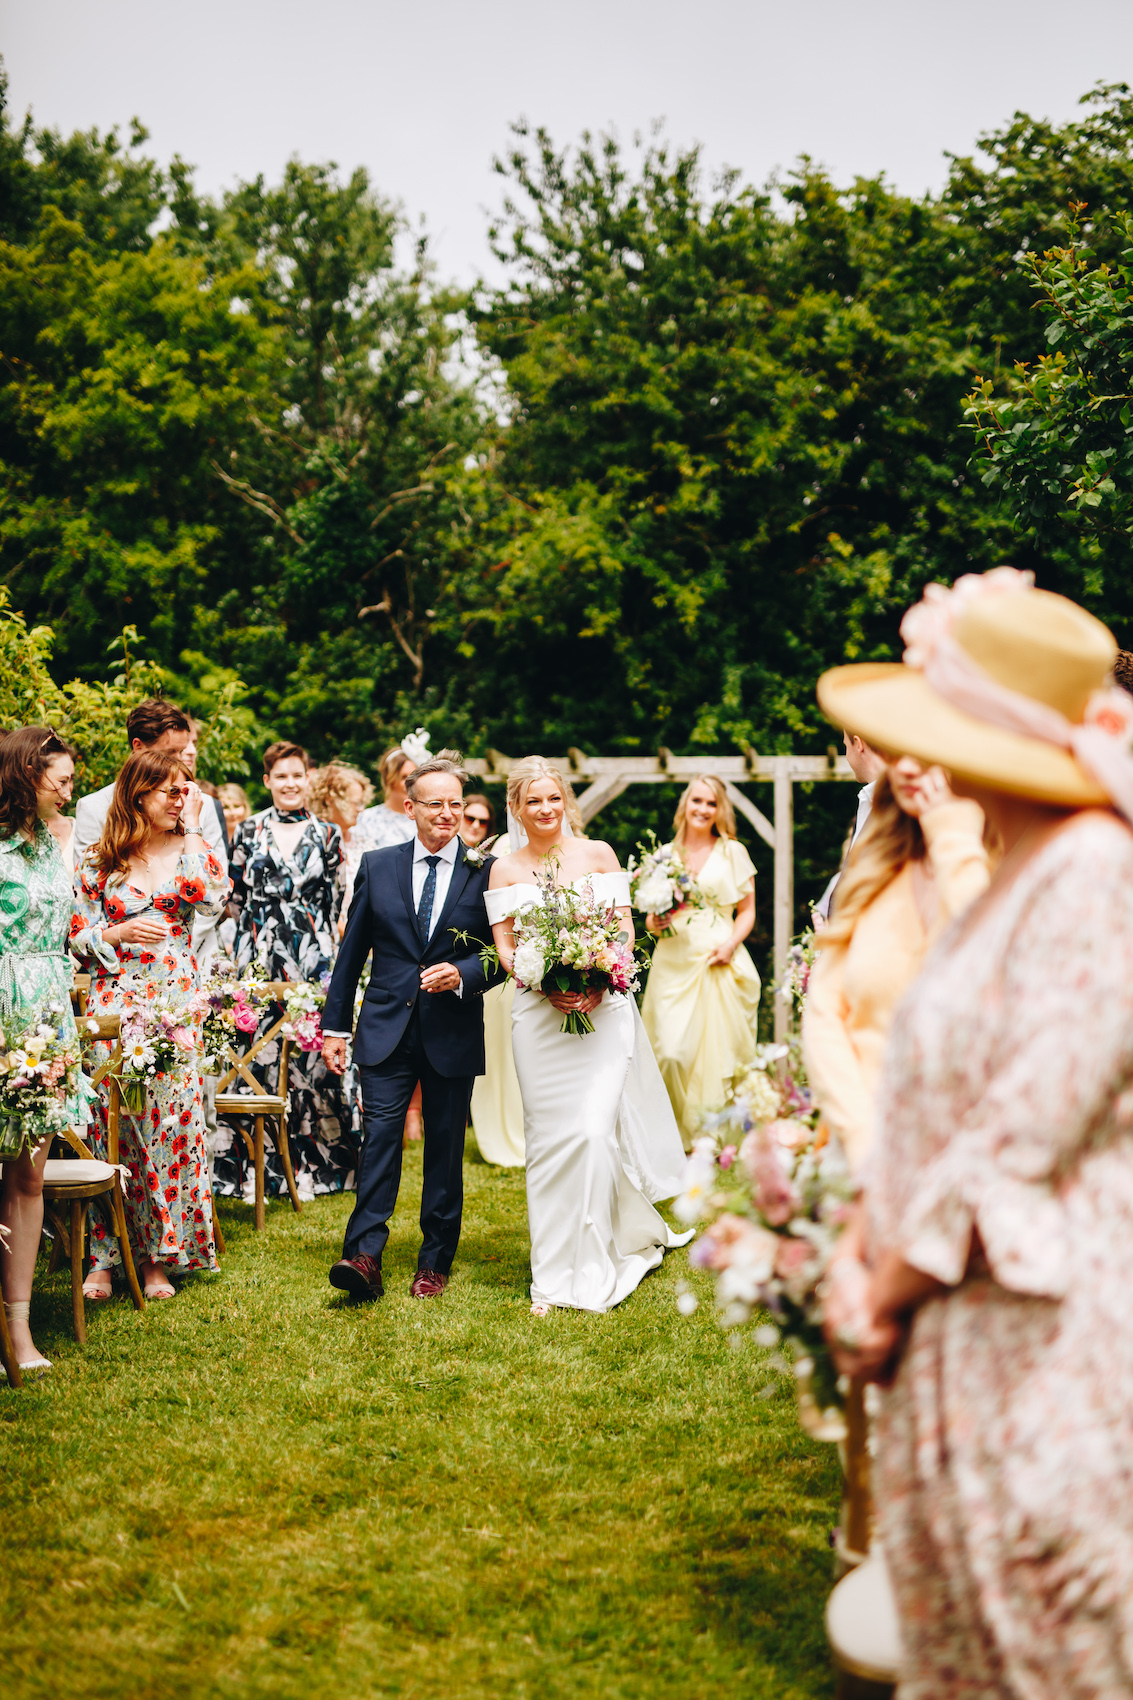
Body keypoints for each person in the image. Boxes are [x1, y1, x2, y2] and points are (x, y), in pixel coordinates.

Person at [820, 569, 1133, 1698]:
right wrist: (857, 1248)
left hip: (1041, 1349)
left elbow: (1020, 1129)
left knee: (1046, 1652)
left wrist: (881, 1286)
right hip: (949, 1333)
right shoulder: (1005, 869)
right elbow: (929, 1097)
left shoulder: (1097, 874)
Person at [486, 757, 691, 1314]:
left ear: (565, 800)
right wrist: (536, 976)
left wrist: (599, 978)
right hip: (538, 1018)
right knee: (550, 1144)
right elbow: (505, 946)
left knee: (596, 1134)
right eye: (533, 801)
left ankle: (597, 1256)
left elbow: (622, 931)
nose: (545, 809)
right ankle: (551, 1274)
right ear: (517, 808)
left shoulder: (599, 854)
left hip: (605, 1013)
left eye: (553, 798)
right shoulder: (503, 869)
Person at [320, 750, 501, 1302]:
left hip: (452, 1032)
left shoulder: (486, 871)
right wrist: (335, 1028)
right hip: (384, 1028)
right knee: (379, 1143)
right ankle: (364, 1256)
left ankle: (434, 1261)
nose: (447, 814)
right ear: (409, 807)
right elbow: (351, 954)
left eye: (455, 804)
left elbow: (505, 954)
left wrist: (465, 972)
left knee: (445, 1152)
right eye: (435, 804)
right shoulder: (378, 865)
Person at [71, 749, 228, 1300]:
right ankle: (103, 1258)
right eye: (169, 790)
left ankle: (162, 1256)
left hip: (176, 1005)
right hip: (115, 1008)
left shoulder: (193, 850)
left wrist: (191, 833)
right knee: (111, 1131)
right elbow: (73, 941)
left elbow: (215, 899)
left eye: (185, 790)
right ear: (138, 794)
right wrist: (117, 934)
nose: (179, 798)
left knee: (170, 1133)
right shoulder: (98, 861)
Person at [802, 757, 989, 1173]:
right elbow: (824, 1015)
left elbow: (986, 966)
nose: (907, 766)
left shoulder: (992, 870)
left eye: (924, 755)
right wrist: (861, 1137)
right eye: (898, 751)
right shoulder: (870, 880)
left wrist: (950, 831)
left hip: (967, 1147)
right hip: (861, 1142)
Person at [215, 741, 358, 1202]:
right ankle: (257, 1168)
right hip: (258, 955)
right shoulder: (248, 832)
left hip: (313, 956)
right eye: (281, 776)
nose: (291, 783)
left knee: (312, 1059)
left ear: (309, 778)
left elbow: (336, 903)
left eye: (298, 775)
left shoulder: (329, 834)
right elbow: (233, 901)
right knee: (256, 1052)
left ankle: (319, 1165)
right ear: (268, 782)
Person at [0, 728, 92, 1376]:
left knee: (28, 1177)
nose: (69, 788)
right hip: (2, 1006)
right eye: (59, 778)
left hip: (47, 1016)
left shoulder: (57, 841)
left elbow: (76, 931)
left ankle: (20, 1330)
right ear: (25, 776)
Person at [640, 775, 761, 1147]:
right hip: (672, 961)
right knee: (670, 1052)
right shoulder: (663, 855)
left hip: (716, 962)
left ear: (719, 809)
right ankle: (669, 1135)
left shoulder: (732, 852)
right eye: (697, 801)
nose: (703, 809)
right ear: (685, 805)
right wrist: (652, 922)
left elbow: (747, 910)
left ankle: (705, 1135)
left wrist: (730, 944)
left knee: (714, 1054)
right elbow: (648, 915)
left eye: (711, 803)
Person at [813, 731, 888, 925]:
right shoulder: (869, 802)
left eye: (845, 746)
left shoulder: (895, 806)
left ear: (858, 743)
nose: (846, 754)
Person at [308, 760, 376, 894]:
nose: (361, 809)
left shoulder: (366, 844)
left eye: (362, 803)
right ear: (329, 800)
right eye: (356, 803)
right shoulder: (309, 843)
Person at [354, 744, 419, 852]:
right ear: (390, 779)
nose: (410, 783)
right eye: (403, 777)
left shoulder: (425, 817)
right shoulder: (367, 819)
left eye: (414, 776)